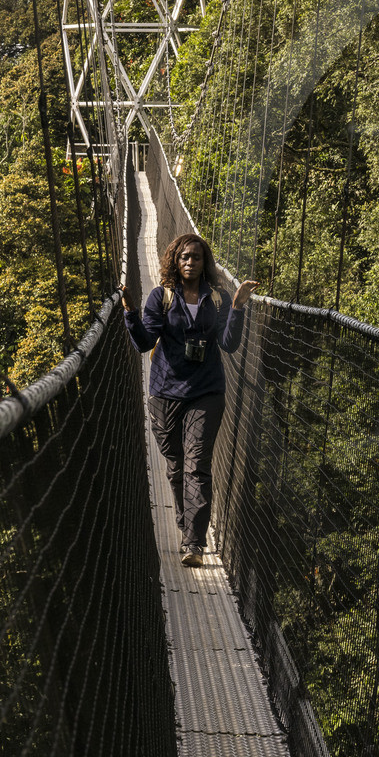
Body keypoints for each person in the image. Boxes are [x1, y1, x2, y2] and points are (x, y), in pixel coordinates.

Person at [123, 234, 258, 568]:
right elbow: (144, 344)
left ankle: (194, 543)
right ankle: (187, 526)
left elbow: (228, 344)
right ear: (175, 259)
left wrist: (238, 307)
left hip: (206, 391)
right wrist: (130, 313)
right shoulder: (162, 297)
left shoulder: (218, 298)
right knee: (175, 464)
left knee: (196, 464)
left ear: (204, 262)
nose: (190, 262)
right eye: (184, 256)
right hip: (166, 391)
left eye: (196, 257)